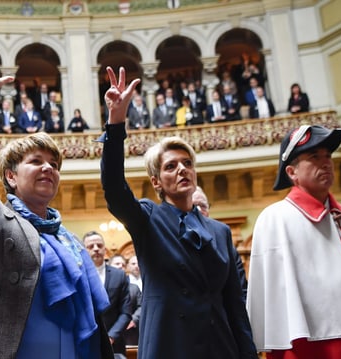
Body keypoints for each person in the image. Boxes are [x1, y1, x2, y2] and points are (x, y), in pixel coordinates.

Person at [0, 46, 114, 358]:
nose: (48, 167)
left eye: (53, 163)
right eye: (36, 161)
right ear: (11, 176)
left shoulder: (70, 240)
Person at [99, 65, 257, 358]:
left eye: (187, 163)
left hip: (220, 347)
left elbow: (235, 308)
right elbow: (114, 189)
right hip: (170, 345)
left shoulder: (220, 232)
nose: (182, 169)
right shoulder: (148, 218)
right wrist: (116, 122)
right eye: (171, 166)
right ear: (156, 181)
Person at [246, 125, 341, 358]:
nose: (325, 162)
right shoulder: (276, 220)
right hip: (312, 348)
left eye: (328, 156)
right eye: (314, 157)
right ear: (291, 172)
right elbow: (274, 305)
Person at [83, 231, 132, 357]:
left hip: (115, 342)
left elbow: (126, 312)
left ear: (105, 249)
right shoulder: (78, 275)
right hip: (87, 340)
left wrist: (111, 336)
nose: (96, 249)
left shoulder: (119, 275)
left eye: (99, 245)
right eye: (91, 246)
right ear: (84, 250)